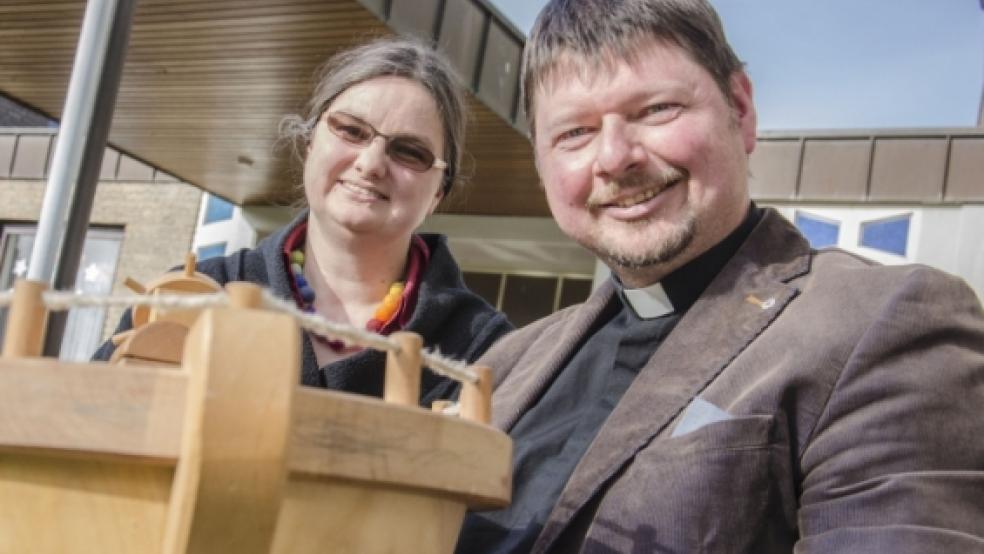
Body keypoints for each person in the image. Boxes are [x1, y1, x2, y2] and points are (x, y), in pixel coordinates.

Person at [455, 0, 984, 552]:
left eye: (656, 109)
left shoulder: (883, 323)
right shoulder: (508, 362)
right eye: (574, 133)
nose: (614, 157)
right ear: (541, 164)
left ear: (740, 107)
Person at [95, 37, 512, 404]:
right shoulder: (192, 295)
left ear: (439, 190)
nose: (370, 164)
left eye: (409, 152)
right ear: (311, 141)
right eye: (351, 130)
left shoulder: (484, 348)